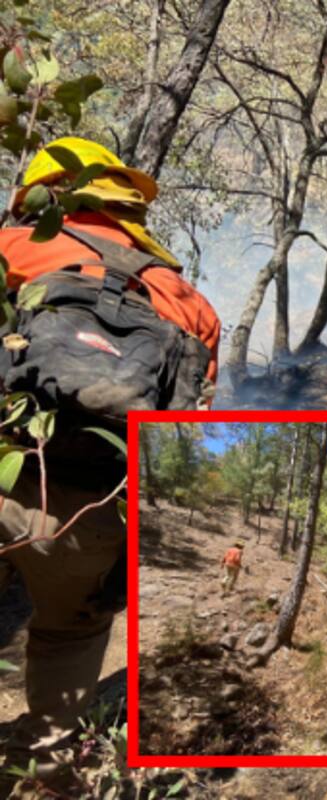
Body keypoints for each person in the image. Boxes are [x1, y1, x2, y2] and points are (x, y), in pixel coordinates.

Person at [0, 137, 220, 782]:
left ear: (46, 195)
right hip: (92, 511)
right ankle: (41, 765)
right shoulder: (187, 303)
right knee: (71, 632)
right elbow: (183, 427)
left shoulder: (13, 249)